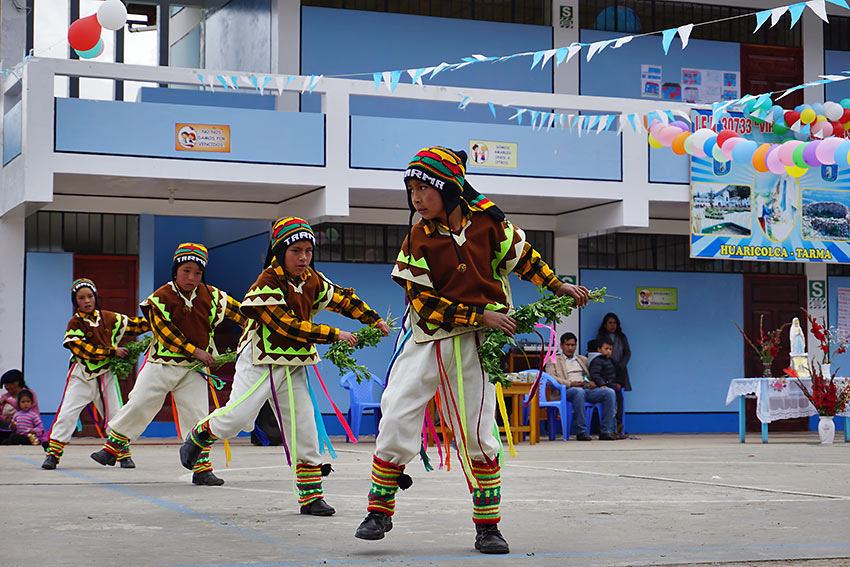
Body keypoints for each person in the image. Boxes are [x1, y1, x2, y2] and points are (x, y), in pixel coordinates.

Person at [353, 147, 590, 554]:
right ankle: (379, 511)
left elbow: (524, 257)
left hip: (471, 348)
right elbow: (423, 303)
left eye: (423, 188)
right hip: (424, 339)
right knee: (395, 416)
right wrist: (480, 315)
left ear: (447, 189)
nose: (416, 197)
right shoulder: (417, 238)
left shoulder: (489, 224)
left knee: (479, 434)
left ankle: (488, 527)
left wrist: (558, 285)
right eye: (411, 189)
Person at [180, 217, 390, 514]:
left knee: (304, 430)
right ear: (280, 252)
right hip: (260, 360)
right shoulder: (267, 282)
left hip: (294, 364)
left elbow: (342, 298)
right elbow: (285, 326)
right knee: (238, 418)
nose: (304, 257)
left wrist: (373, 318)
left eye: (308, 250)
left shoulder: (312, 279)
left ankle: (311, 497)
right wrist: (334, 334)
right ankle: (201, 433)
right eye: (296, 251)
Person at [90, 243, 247, 486]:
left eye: (197, 273)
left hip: (194, 369)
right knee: (141, 401)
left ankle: (201, 469)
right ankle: (113, 447)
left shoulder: (214, 296)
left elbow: (244, 315)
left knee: (197, 415)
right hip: (161, 363)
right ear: (175, 270)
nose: (192, 278)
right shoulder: (160, 298)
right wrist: (196, 351)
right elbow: (165, 333)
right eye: (186, 271)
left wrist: (258, 330)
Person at [42, 279, 150, 470]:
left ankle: (123, 454)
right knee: (67, 413)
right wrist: (112, 352)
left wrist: (158, 321)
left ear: (96, 297)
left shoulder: (109, 318)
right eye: (81, 298)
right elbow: (80, 349)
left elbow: (134, 325)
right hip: (82, 375)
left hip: (105, 375)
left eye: (90, 296)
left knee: (116, 414)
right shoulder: (74, 322)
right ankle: (53, 454)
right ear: (76, 302)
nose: (87, 301)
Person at [544, 332, 617, 441]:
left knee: (609, 392)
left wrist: (593, 383)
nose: (570, 348)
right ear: (561, 345)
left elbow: (593, 372)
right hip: (566, 391)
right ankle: (581, 431)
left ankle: (606, 431)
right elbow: (550, 379)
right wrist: (570, 383)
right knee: (578, 392)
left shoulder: (582, 359)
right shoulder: (553, 359)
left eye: (573, 345)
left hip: (585, 388)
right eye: (567, 345)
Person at [596, 313, 631, 433]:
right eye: (610, 323)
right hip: (605, 372)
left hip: (620, 370)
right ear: (605, 324)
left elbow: (627, 352)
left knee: (619, 397)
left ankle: (619, 424)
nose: (612, 325)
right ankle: (608, 426)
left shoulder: (622, 337)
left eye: (614, 323)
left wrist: (621, 365)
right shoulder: (601, 337)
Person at [582, 338, 620, 440]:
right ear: (599, 349)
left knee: (614, 410)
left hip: (610, 388)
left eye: (610, 349)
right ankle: (607, 430)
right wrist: (602, 384)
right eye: (606, 348)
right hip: (602, 388)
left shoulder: (607, 360)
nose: (609, 351)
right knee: (612, 407)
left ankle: (614, 430)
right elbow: (595, 374)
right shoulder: (597, 360)